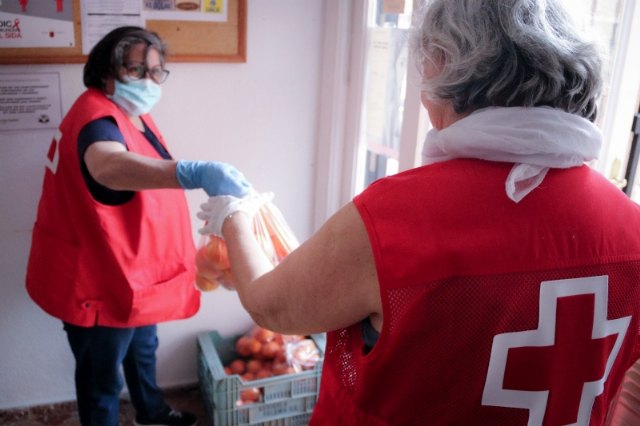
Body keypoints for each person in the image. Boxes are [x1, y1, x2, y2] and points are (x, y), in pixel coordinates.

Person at [197, 0, 640, 424]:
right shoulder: (630, 227)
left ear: (446, 64)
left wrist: (233, 215)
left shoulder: (395, 218)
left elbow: (274, 308)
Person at [25, 26, 250, 426]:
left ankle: (152, 412)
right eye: (136, 70)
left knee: (144, 348)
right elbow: (108, 166)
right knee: (101, 377)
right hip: (99, 278)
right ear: (106, 72)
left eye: (156, 71)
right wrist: (191, 173)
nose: (149, 81)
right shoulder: (97, 120)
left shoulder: (131, 114)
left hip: (136, 273)